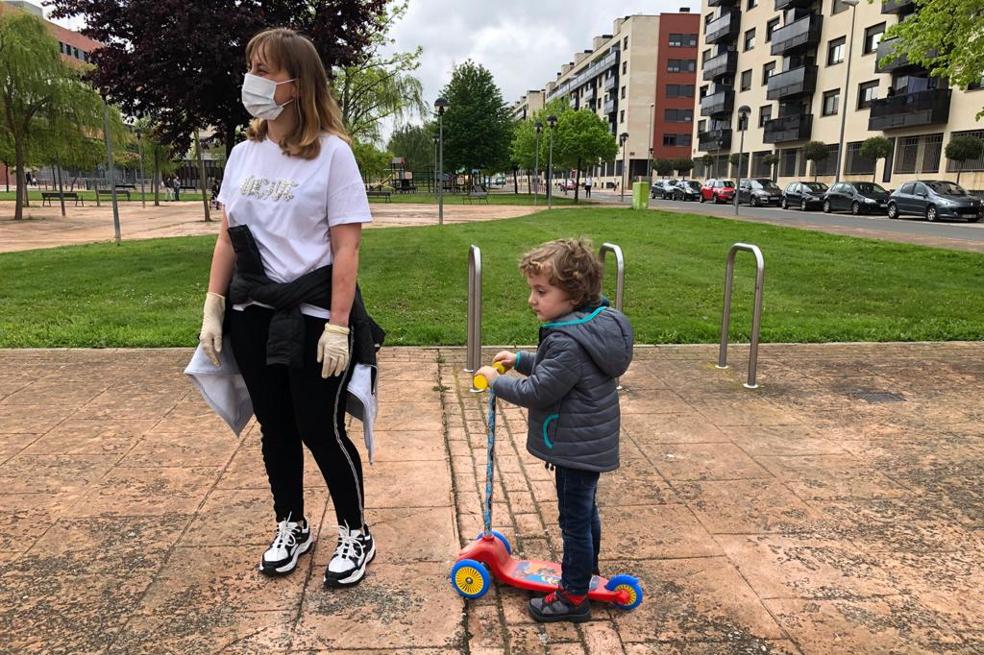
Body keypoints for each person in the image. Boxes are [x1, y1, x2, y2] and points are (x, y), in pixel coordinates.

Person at [198, 27, 378, 588]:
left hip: (314, 314)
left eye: (265, 69)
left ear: (296, 85)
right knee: (274, 426)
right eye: (250, 65)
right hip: (252, 312)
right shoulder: (243, 153)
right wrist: (213, 306)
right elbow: (228, 238)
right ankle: (291, 523)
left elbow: (346, 246)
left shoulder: (333, 155)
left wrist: (340, 327)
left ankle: (355, 531)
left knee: (319, 428)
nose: (252, 79)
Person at [475, 238, 634, 623]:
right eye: (532, 289)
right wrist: (521, 359)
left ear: (573, 293)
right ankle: (588, 570)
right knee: (584, 511)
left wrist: (495, 382)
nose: (533, 299)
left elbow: (540, 390)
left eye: (541, 291)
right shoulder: (591, 325)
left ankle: (574, 595)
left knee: (573, 520)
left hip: (575, 446)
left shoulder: (566, 340)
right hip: (589, 441)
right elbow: (558, 371)